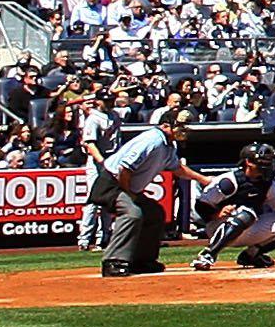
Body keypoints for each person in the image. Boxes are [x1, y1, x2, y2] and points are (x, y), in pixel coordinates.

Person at [86, 108, 204, 278]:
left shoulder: (168, 144)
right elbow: (124, 168)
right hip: (111, 184)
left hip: (125, 185)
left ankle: (142, 261)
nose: (184, 130)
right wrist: (130, 194)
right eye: (180, 126)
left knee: (154, 213)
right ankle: (113, 261)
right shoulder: (153, 140)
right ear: (166, 125)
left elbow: (177, 168)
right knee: (132, 213)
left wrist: (204, 180)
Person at [191, 140, 275, 270]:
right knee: (247, 213)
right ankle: (208, 255)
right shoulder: (229, 181)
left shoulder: (268, 184)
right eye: (262, 163)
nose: (266, 167)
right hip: (218, 226)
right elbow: (200, 205)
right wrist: (216, 213)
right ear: (248, 163)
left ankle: (252, 255)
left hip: (248, 226)